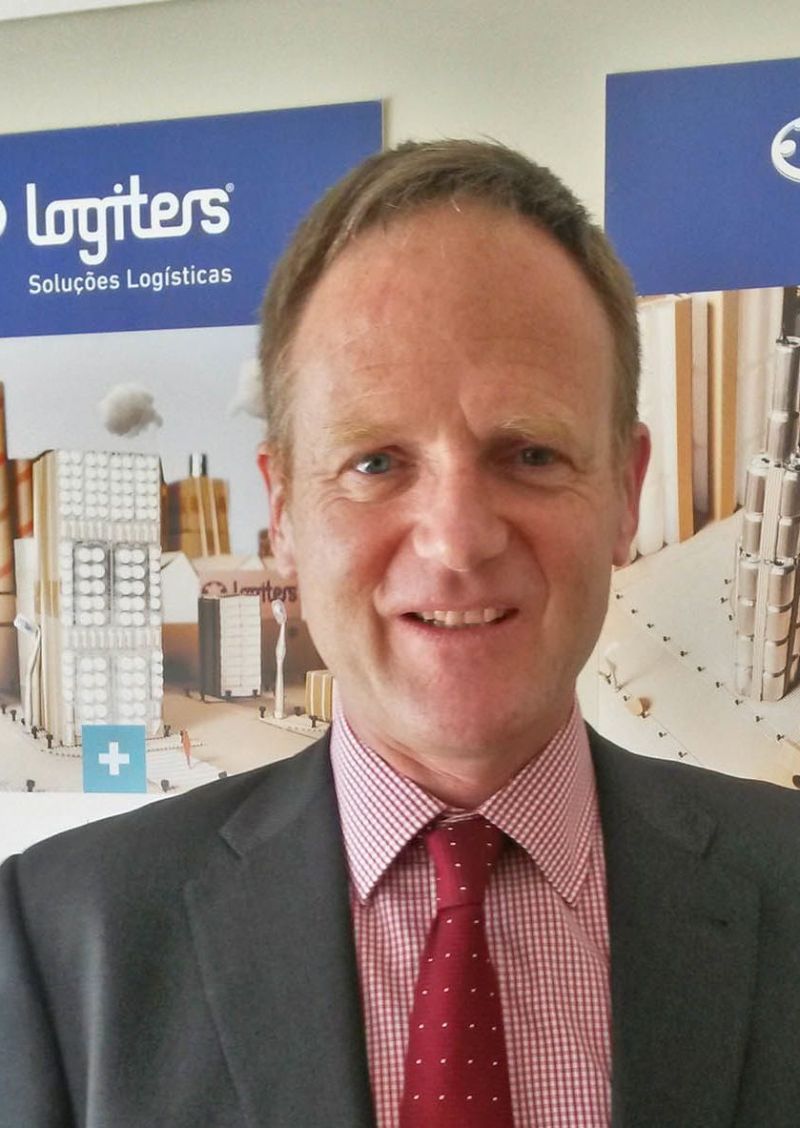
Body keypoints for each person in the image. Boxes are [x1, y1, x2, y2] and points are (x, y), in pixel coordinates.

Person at [2, 140, 799, 1128]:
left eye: (529, 453)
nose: (457, 540)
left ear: (625, 493)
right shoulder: (61, 940)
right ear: (284, 511)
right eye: (376, 462)